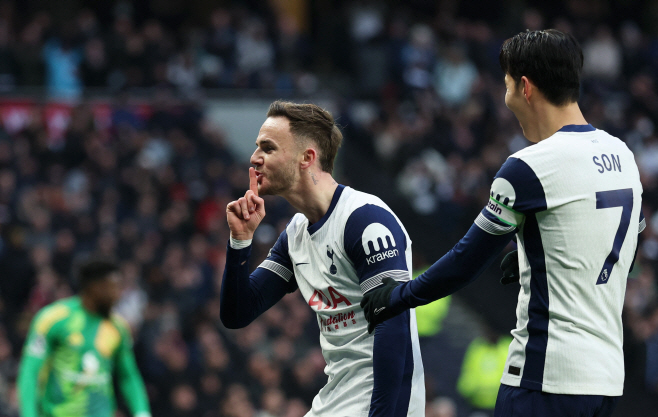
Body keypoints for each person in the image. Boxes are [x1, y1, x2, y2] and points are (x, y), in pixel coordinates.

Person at [361, 29, 644, 417]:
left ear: (525, 88)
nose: (506, 97)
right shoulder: (623, 155)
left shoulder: (529, 167)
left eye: (507, 85)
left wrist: (398, 297)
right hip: (606, 381)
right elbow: (624, 242)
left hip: (544, 379)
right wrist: (538, 254)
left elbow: (465, 263)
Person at [220, 101, 425, 416]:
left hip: (378, 402)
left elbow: (392, 326)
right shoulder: (296, 234)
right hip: (334, 399)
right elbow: (237, 313)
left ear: (307, 157)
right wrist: (240, 241)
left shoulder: (365, 220)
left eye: (268, 148)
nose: (254, 157)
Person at [17, 259, 151, 417]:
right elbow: (30, 372)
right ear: (94, 288)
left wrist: (142, 412)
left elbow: (129, 376)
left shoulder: (118, 327)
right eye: (113, 287)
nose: (118, 294)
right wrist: (29, 414)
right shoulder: (53, 319)